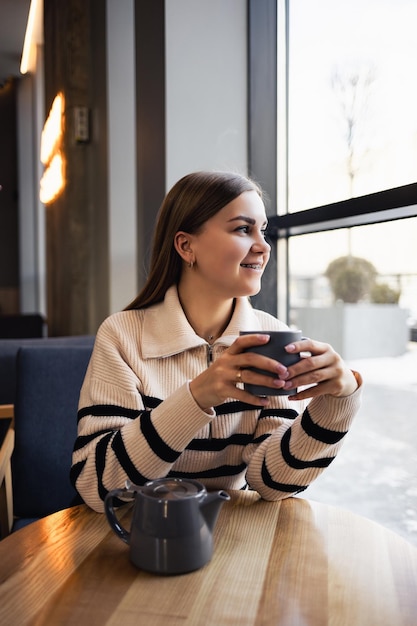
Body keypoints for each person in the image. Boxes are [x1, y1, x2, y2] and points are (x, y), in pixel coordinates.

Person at [71, 171, 362, 513]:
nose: (263, 246)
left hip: (228, 533)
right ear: (185, 245)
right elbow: (99, 486)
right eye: (243, 229)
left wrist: (337, 402)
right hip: (135, 532)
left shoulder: (270, 336)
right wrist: (197, 397)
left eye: (262, 230)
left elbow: (272, 482)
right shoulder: (122, 336)